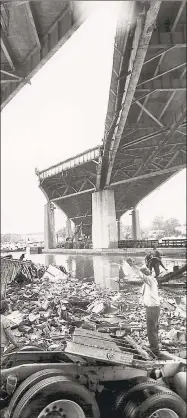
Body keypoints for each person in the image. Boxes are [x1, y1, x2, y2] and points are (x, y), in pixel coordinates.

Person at [139, 266, 161, 357]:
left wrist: (132, 266)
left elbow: (142, 277)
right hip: (151, 307)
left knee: (151, 329)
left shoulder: (151, 280)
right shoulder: (147, 283)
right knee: (151, 328)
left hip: (153, 308)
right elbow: (143, 294)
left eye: (147, 271)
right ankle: (153, 345)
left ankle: (155, 350)